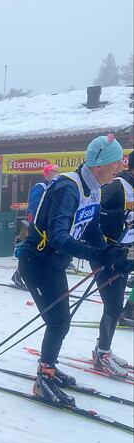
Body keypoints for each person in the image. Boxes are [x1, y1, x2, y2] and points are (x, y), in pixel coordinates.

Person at [19, 134, 132, 406]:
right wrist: (98, 254)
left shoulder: (94, 188)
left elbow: (92, 229)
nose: (119, 168)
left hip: (54, 264)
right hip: (37, 262)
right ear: (99, 165)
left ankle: (50, 369)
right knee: (59, 321)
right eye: (115, 163)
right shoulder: (69, 188)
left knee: (61, 321)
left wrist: (110, 253)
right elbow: (58, 236)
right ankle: (43, 379)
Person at [90, 150, 134, 374]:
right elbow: (93, 211)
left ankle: (103, 348)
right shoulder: (118, 186)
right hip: (105, 254)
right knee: (114, 304)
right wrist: (118, 216)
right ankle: (102, 354)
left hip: (123, 255)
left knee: (115, 304)